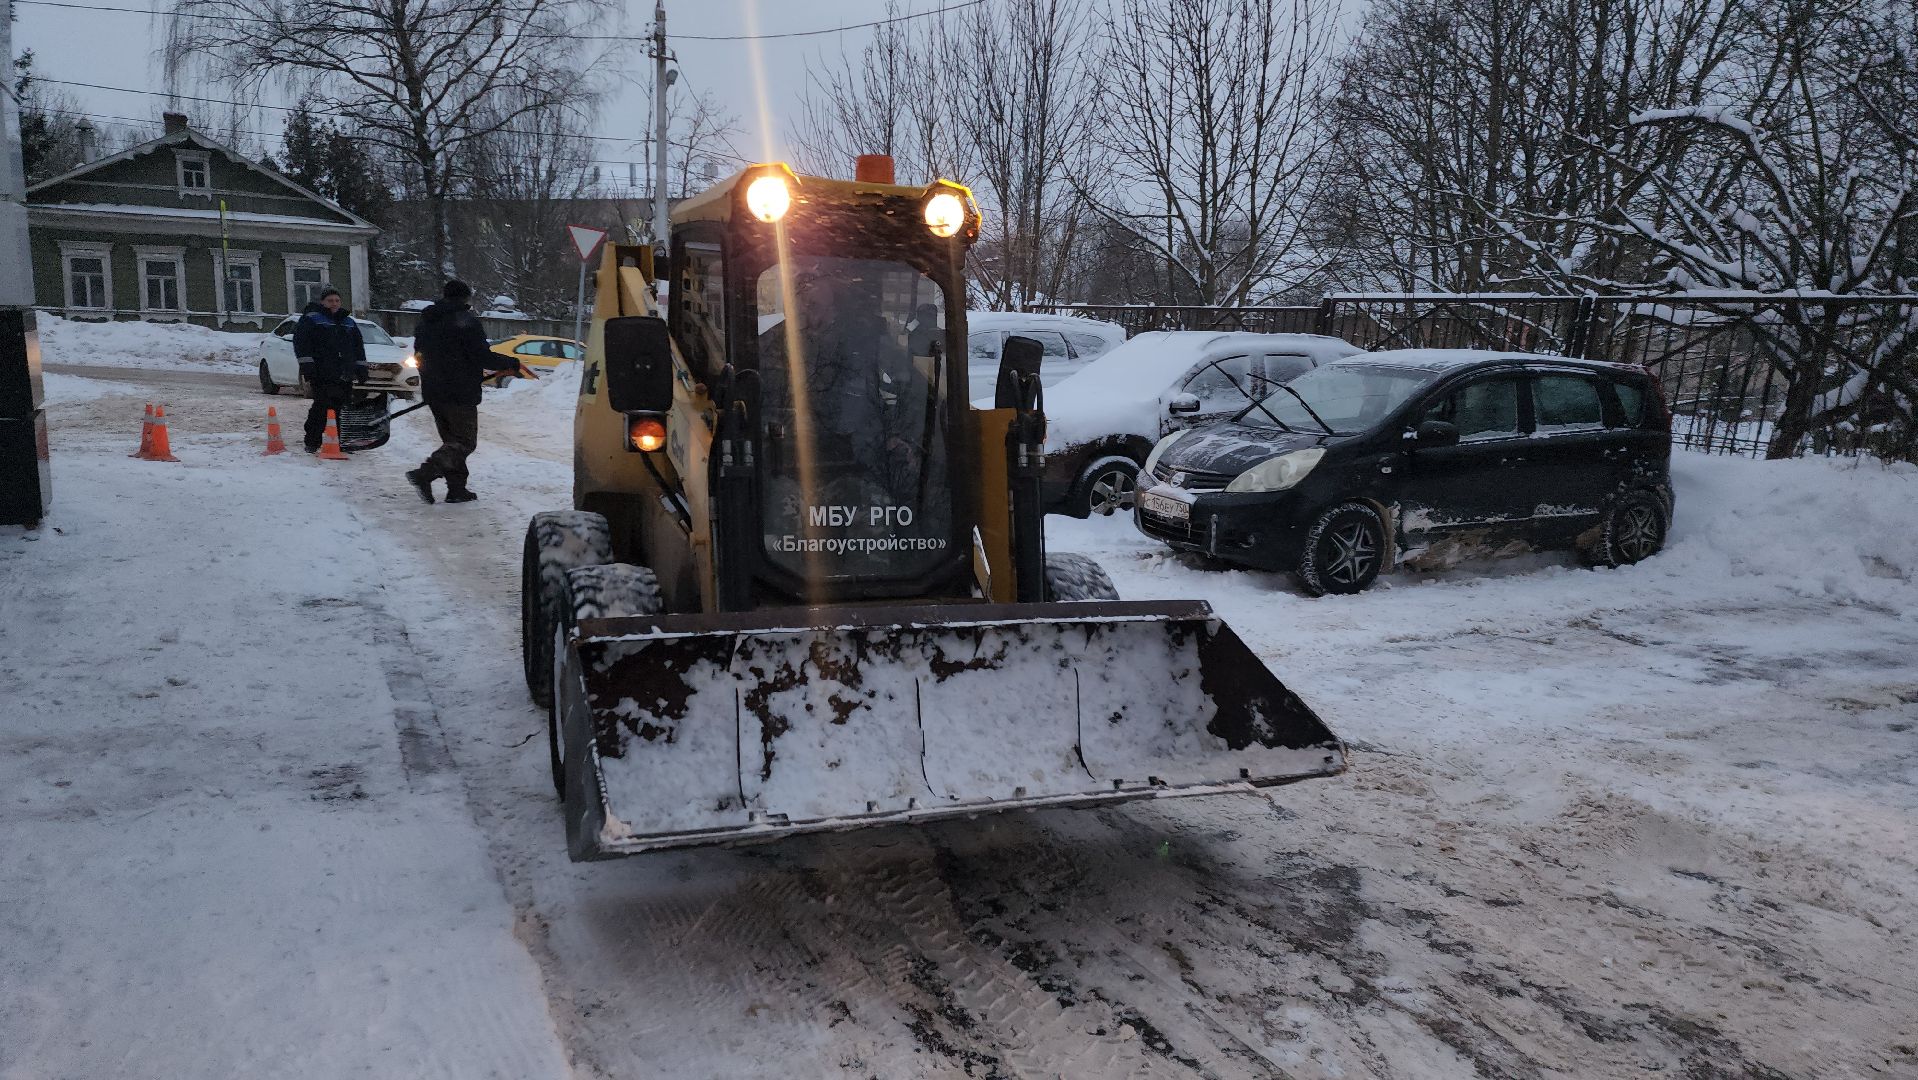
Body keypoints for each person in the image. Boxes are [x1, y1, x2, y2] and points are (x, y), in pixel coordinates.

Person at [404, 279, 516, 504]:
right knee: (464, 442)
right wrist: (509, 362)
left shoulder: (426, 322)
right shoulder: (466, 322)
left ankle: (457, 490)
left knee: (451, 443)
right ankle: (424, 473)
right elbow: (481, 355)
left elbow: (419, 355)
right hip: (459, 391)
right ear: (465, 298)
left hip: (434, 390)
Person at [291, 287, 368, 454]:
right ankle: (312, 441)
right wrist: (308, 367)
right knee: (322, 407)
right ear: (323, 302)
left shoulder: (348, 322)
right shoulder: (311, 319)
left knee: (344, 408)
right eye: (330, 300)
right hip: (322, 373)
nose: (334, 304)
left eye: (337, 300)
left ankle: (341, 442)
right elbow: (302, 344)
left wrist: (361, 368)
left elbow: (358, 347)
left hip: (344, 373)